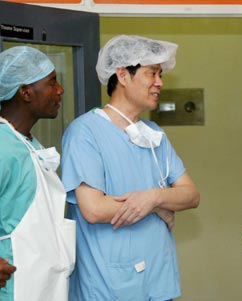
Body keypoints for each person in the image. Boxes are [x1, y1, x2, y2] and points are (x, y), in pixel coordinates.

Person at [61, 35, 200, 301]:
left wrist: (154, 197)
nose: (159, 82)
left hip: (157, 282)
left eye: (160, 74)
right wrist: (159, 207)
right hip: (109, 286)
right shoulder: (85, 132)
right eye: (152, 73)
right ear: (123, 75)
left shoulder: (154, 134)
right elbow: (94, 209)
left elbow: (191, 195)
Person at [0, 46, 75, 301]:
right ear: (25, 92)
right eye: (52, 82)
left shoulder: (29, 144)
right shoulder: (2, 145)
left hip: (45, 285)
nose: (60, 90)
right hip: (15, 286)